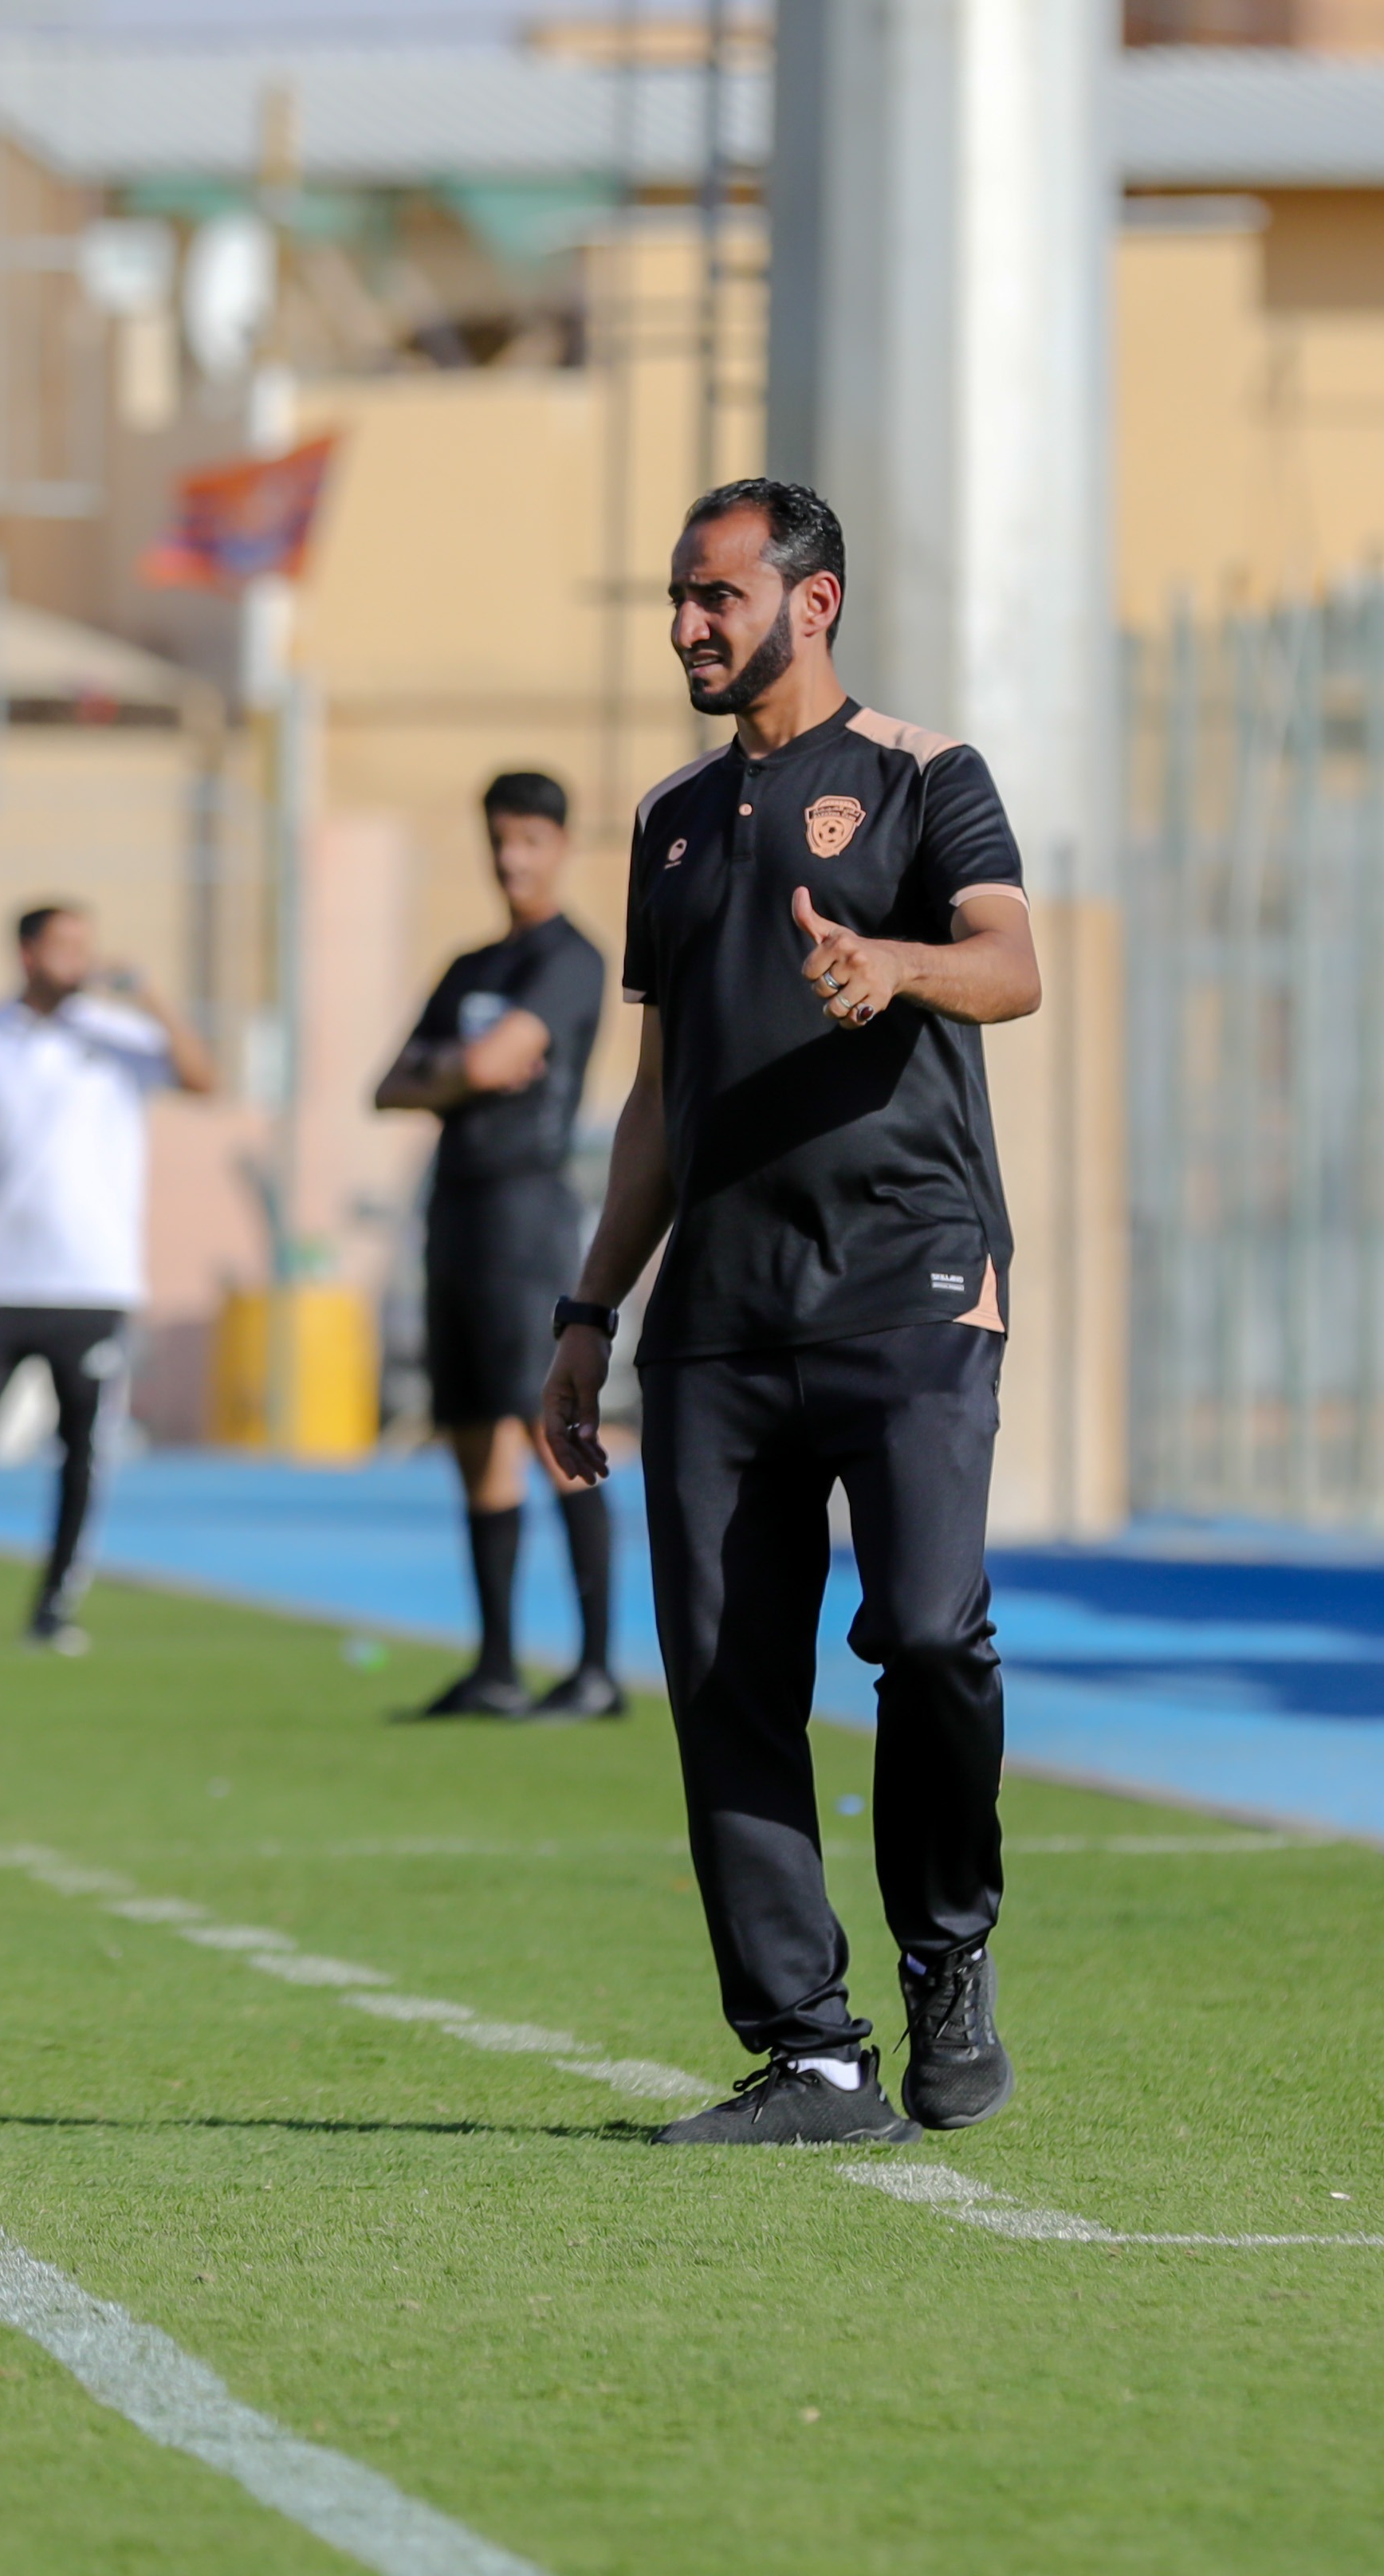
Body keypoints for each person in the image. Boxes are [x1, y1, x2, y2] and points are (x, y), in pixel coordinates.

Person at [541, 476, 1040, 2147]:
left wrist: (893, 967)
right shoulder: (667, 822)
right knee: (722, 1676)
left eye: (715, 595)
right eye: (675, 599)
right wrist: (585, 1308)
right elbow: (651, 1095)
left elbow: (1007, 965)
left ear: (808, 602)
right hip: (715, 1318)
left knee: (922, 1631)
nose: (687, 625)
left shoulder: (923, 775)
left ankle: (944, 1956)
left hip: (906, 1278)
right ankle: (810, 2055)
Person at [0, 900, 213, 1661]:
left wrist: (150, 996)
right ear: (26, 952)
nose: (80, 959)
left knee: (82, 1448)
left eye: (87, 944)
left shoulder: (117, 1036)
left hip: (91, 1284)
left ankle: (55, 1604)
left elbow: (201, 1077)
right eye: (64, 945)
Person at [372, 773, 621, 1721]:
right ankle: (496, 1666)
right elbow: (390, 1082)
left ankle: (596, 1669)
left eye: (528, 839)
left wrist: (452, 1070)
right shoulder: (469, 965)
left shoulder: (571, 959)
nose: (511, 858)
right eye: (498, 840)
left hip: (527, 1218)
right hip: (457, 1215)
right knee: (472, 1436)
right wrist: (456, 1071)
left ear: (559, 843)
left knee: (546, 1429)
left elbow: (470, 1063)